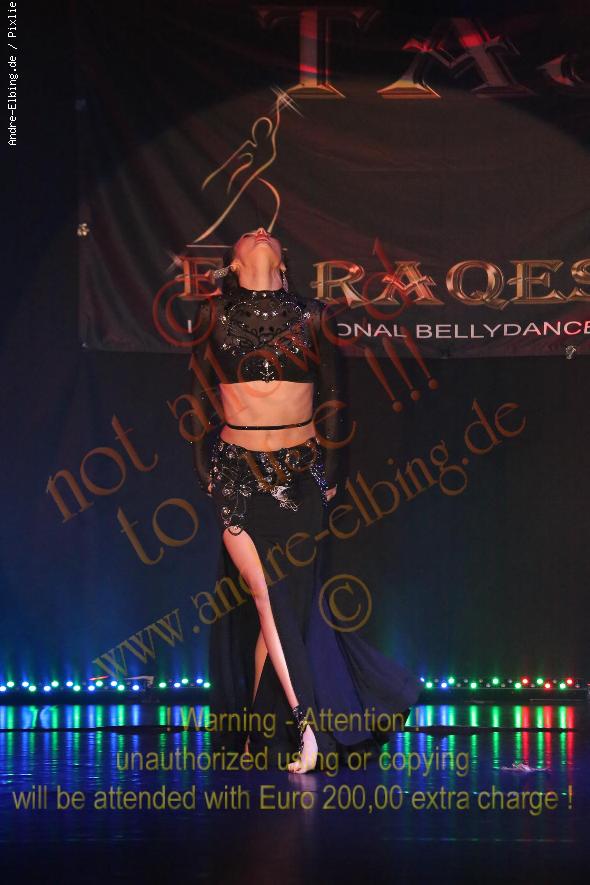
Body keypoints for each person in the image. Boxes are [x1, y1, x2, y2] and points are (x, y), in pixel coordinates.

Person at [189, 227, 422, 773]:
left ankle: (261, 732)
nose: (259, 233)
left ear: (283, 261)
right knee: (266, 597)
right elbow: (197, 395)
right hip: (237, 472)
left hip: (300, 474)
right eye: (248, 234)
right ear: (233, 264)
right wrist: (205, 471)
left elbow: (335, 397)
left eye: (267, 233)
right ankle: (309, 727)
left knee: (285, 609)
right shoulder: (212, 314)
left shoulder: (315, 316)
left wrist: (332, 471)